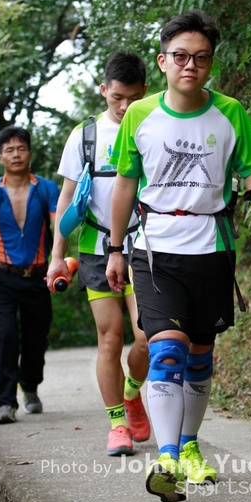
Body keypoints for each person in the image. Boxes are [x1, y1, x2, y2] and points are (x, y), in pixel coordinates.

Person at [106, 10, 251, 502]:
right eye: (181, 56)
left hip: (212, 247)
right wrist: (115, 249)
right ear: (163, 61)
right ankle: (166, 459)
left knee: (200, 357)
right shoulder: (140, 114)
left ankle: (188, 446)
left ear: (210, 63)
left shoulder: (231, 112)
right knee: (167, 350)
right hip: (155, 249)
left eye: (201, 58)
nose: (191, 66)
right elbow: (124, 184)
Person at [46, 51, 151, 456]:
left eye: (133, 98)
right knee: (110, 339)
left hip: (144, 245)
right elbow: (67, 198)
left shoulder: (153, 126)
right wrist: (58, 255)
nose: (124, 107)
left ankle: (132, 391)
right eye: (117, 97)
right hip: (94, 249)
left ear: (145, 92)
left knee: (147, 337)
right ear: (104, 90)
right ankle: (117, 424)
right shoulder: (85, 135)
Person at [0, 126, 59, 425]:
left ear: (30, 153)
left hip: (37, 276)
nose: (16, 154)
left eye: (21, 148)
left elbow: (58, 227)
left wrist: (61, 263)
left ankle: (29, 387)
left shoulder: (47, 189)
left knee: (36, 340)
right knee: (4, 337)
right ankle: (5, 402)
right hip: (0, 277)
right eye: (9, 150)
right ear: (0, 157)